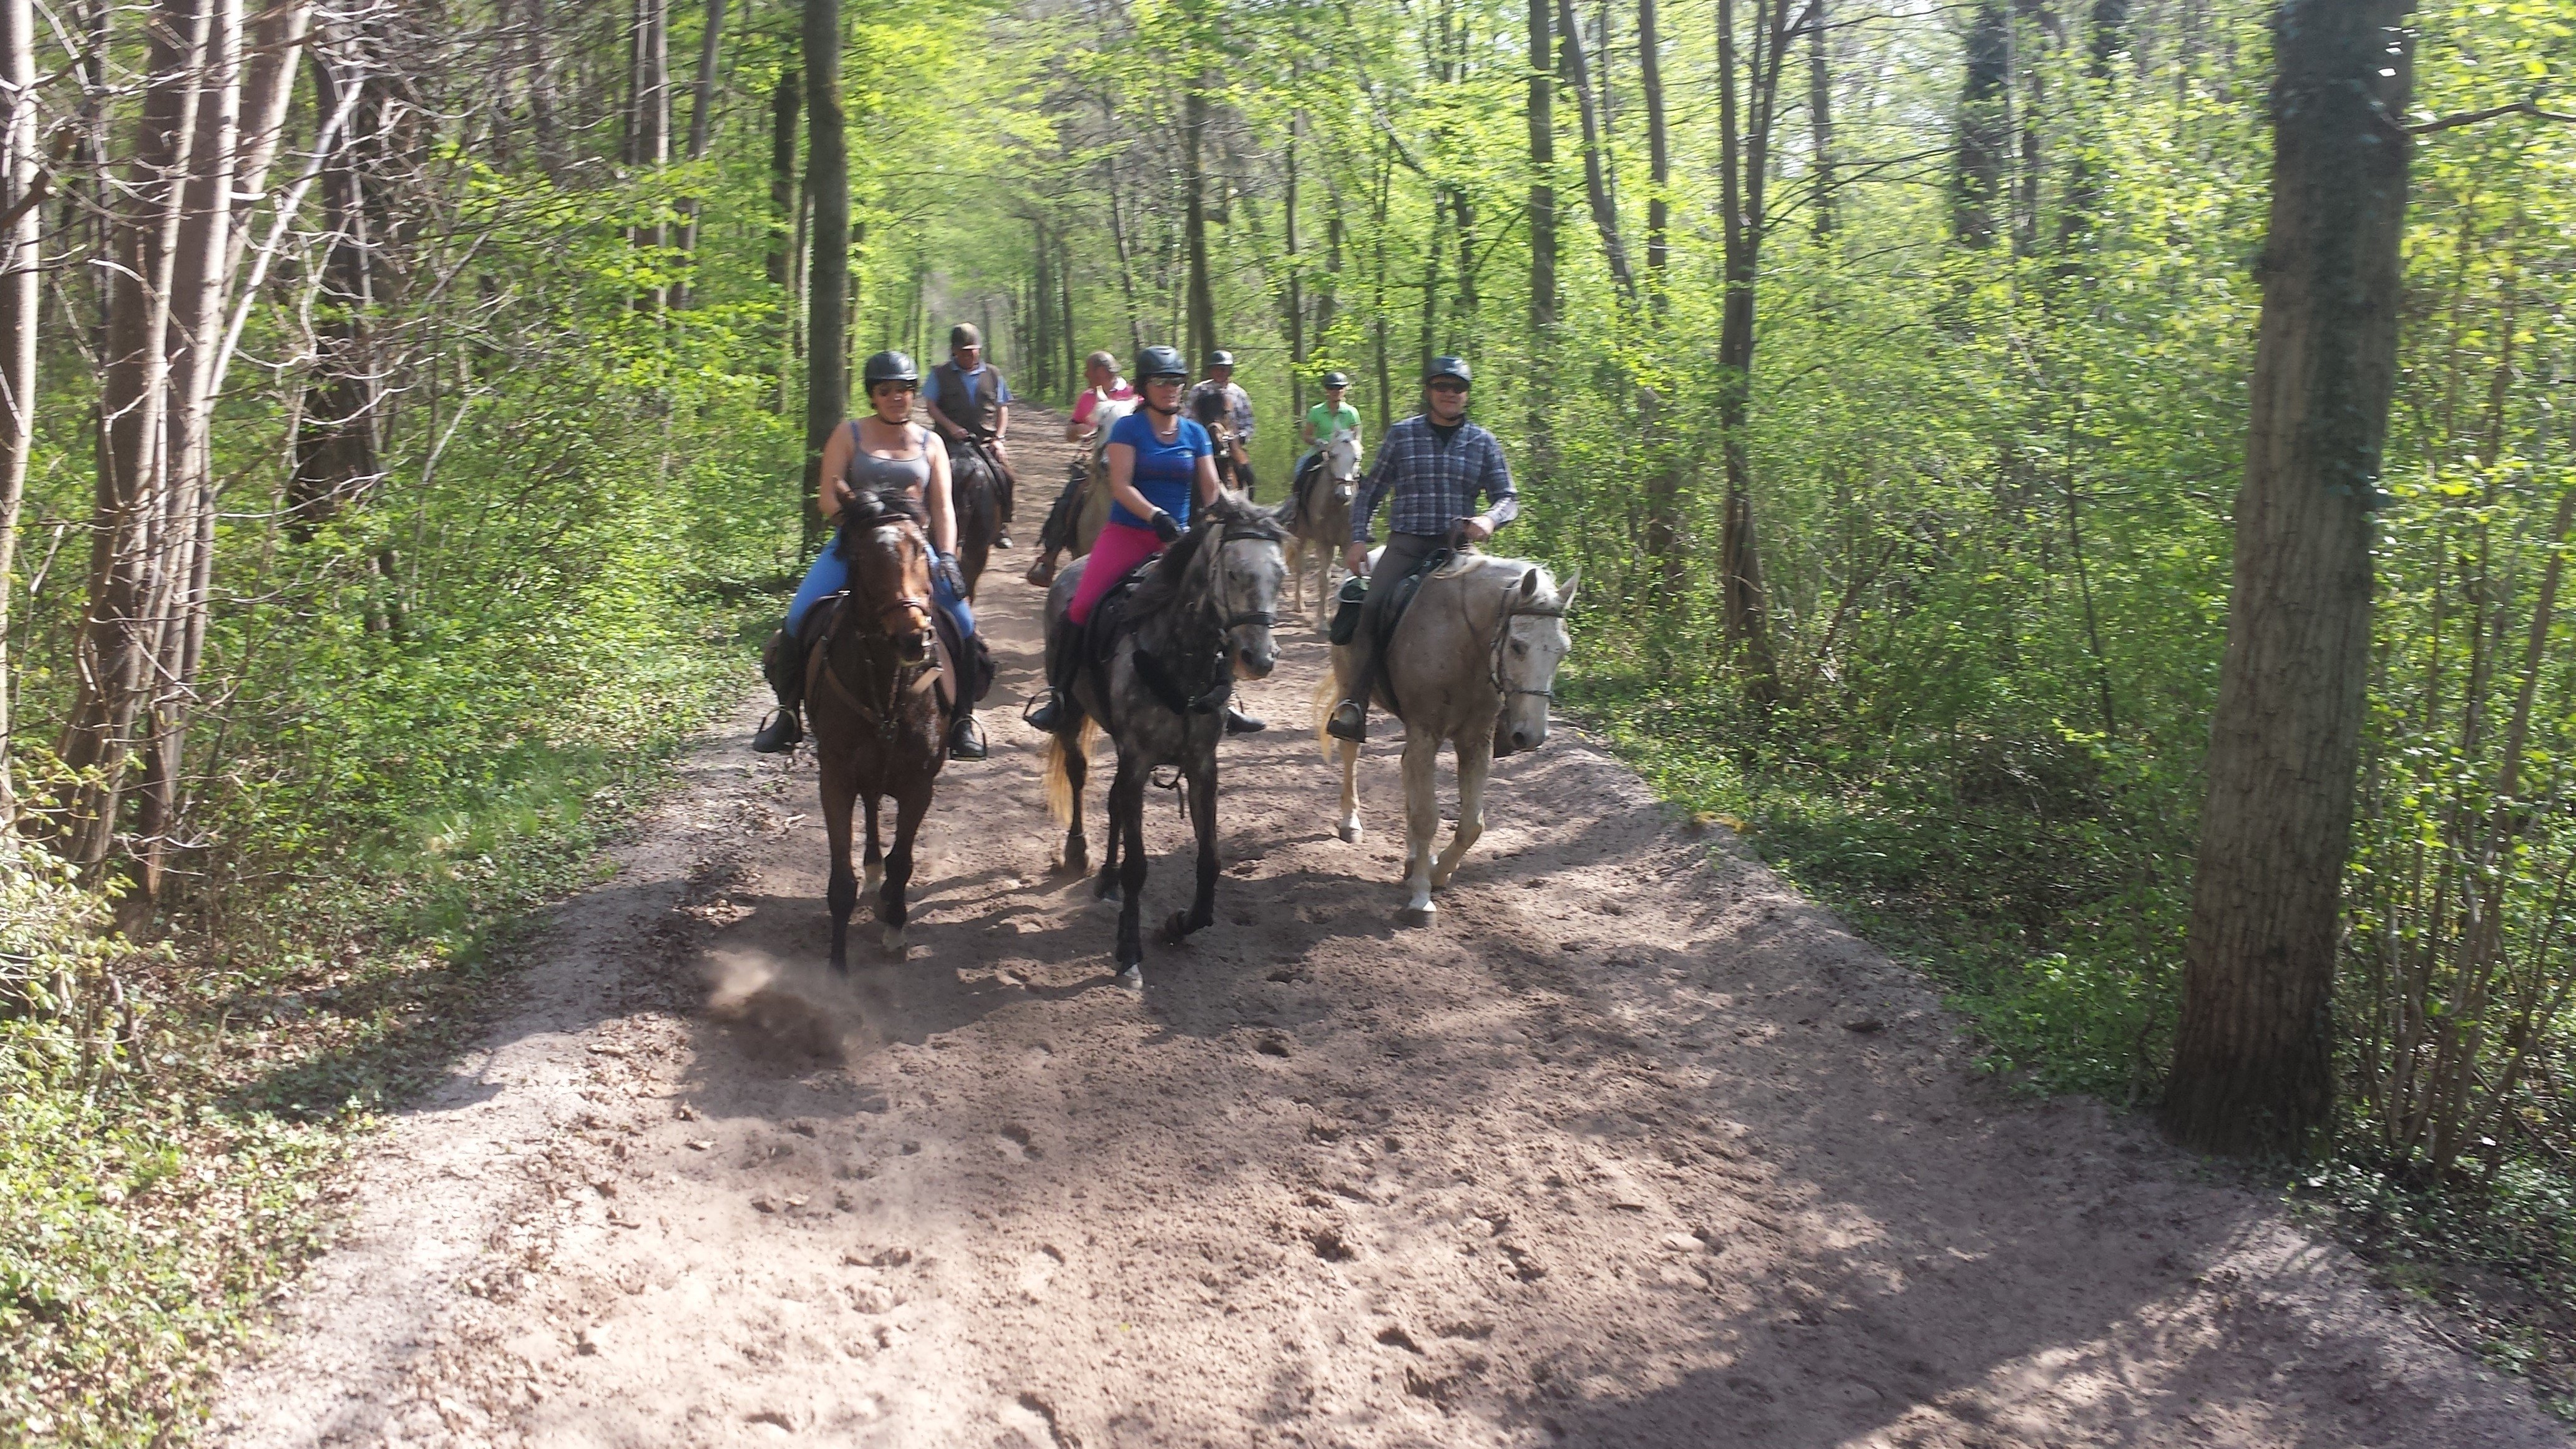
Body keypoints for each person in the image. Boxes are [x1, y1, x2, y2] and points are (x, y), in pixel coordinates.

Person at [753, 350, 989, 760]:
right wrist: (865, 525)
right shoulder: (849, 435)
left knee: (963, 623)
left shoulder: (931, 443)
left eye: (904, 390)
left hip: (914, 553)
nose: (896, 398)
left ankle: (964, 719)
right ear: (873, 396)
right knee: (798, 616)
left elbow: (943, 507)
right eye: (886, 391)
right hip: (854, 545)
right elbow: (829, 498)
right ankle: (787, 714)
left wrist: (947, 557)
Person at [1025, 346, 1266, 736]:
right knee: (1082, 604)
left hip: (1180, 542)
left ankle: (1226, 699)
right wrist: (1156, 516)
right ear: (1144, 387)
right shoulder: (1128, 429)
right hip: (1129, 534)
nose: (1171, 389)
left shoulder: (1194, 434)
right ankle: (1061, 696)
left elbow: (1211, 491)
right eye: (1162, 382)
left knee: (1218, 610)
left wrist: (1241, 513)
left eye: (1176, 382)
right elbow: (1120, 486)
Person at [1327, 356, 1517, 743]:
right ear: (1429, 391)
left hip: (1460, 550)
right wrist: (1359, 539)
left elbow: (1508, 497)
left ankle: (1506, 715)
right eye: (1442, 387)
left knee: (1506, 617)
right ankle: (1354, 703)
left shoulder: (1483, 442)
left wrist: (1491, 519)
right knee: (1372, 607)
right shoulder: (1402, 435)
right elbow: (1371, 492)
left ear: (1466, 396)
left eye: (1457, 388)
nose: (1450, 394)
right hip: (1407, 545)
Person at [1026, 351, 1136, 587]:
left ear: (1101, 372)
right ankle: (1050, 556)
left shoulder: (1135, 396)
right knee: (1068, 501)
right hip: (1092, 462)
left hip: (1132, 462)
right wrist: (1079, 430)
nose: (1085, 374)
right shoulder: (1087, 397)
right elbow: (1070, 432)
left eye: (1088, 370)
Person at [922, 323, 1015, 547]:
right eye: (964, 351)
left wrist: (999, 439)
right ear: (954, 351)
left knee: (1007, 476)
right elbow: (931, 406)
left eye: (973, 349)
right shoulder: (940, 374)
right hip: (947, 442)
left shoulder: (993, 374)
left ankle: (1002, 524)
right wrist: (951, 427)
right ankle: (925, 522)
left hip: (983, 442)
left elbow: (1002, 407)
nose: (969, 354)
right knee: (925, 476)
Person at [1290, 370, 1362, 525]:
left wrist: (1353, 452)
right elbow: (1306, 435)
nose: (1336, 392)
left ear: (1345, 390)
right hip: (1320, 453)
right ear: (1327, 390)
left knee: (1366, 481)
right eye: (1332, 388)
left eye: (1340, 388)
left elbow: (1356, 438)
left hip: (1343, 455)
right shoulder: (1316, 411)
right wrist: (1318, 442)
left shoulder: (1352, 413)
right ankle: (1295, 514)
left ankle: (1366, 522)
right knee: (1300, 472)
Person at [1188, 349, 1256, 496]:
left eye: (1224, 369)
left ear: (1230, 371)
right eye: (1216, 369)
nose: (1220, 372)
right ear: (1210, 371)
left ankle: (1249, 503)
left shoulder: (1239, 394)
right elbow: (1189, 417)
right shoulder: (1199, 390)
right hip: (1203, 440)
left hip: (1231, 442)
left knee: (1248, 474)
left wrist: (1240, 437)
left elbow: (1248, 422)